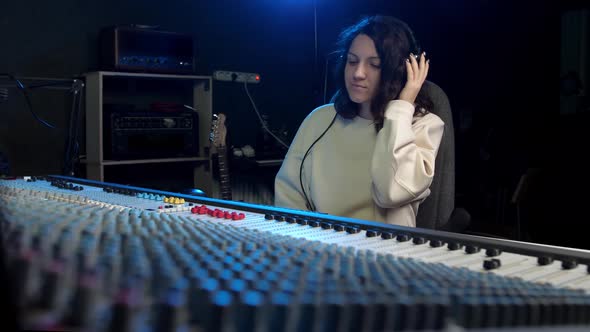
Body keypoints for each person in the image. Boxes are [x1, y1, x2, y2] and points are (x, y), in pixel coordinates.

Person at [274, 15, 444, 227]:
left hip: (385, 253)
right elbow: (288, 196)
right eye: (352, 61)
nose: (358, 73)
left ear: (399, 72)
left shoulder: (424, 126)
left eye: (375, 65)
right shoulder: (319, 120)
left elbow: (392, 192)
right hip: (319, 248)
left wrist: (403, 106)